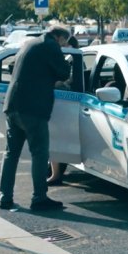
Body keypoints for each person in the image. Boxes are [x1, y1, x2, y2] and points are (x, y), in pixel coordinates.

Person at [0, 25, 71, 211]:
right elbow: (64, 72)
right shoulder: (50, 46)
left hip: (13, 104)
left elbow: (15, 67)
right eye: (64, 43)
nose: (63, 46)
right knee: (40, 154)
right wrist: (66, 61)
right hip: (33, 109)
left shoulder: (28, 43)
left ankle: (5, 197)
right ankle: (39, 197)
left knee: (11, 154)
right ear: (60, 37)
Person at [47, 34, 80, 186]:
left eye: (66, 45)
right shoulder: (66, 59)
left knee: (57, 140)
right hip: (66, 104)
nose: (63, 48)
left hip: (69, 104)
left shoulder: (72, 59)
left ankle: (55, 174)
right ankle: (55, 172)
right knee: (56, 140)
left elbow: (70, 81)